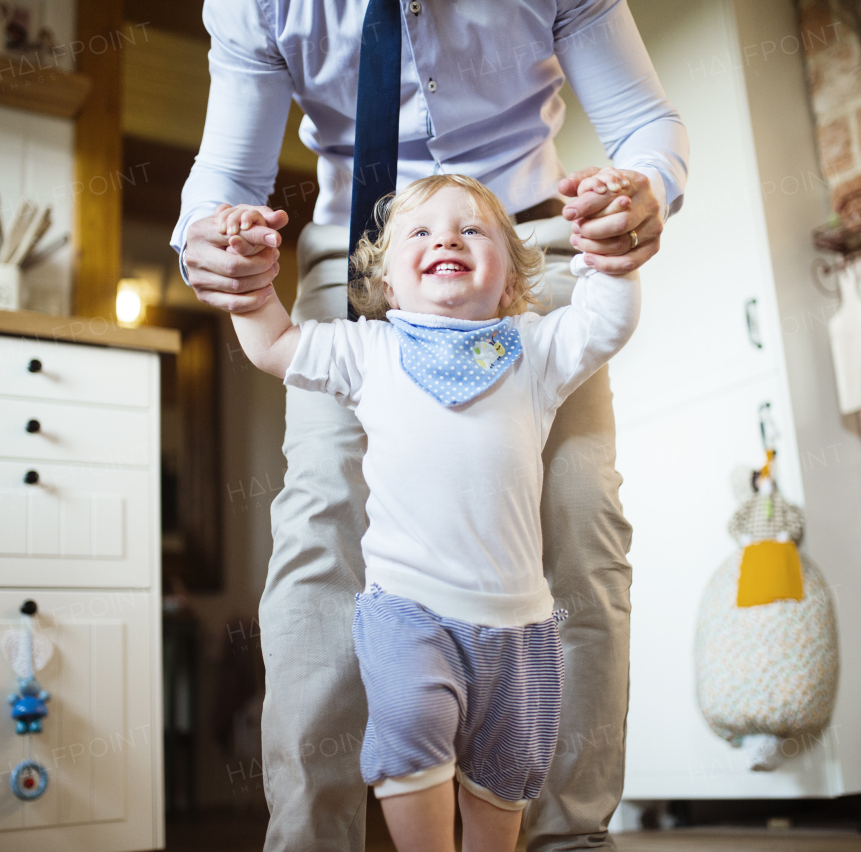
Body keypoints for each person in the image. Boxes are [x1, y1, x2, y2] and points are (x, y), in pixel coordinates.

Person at [172, 3, 688, 849]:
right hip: (360, 257)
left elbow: (643, 125)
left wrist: (641, 192)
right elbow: (227, 178)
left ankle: (566, 837)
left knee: (581, 517)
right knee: (318, 528)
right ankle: (311, 841)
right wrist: (213, 243)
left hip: (527, 249)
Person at [221, 173, 640, 852]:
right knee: (412, 747)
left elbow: (605, 322)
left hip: (520, 632)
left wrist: (611, 257)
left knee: (503, 784)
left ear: (511, 279)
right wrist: (249, 287)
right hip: (408, 617)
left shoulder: (533, 349)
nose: (447, 236)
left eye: (472, 229)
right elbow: (274, 346)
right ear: (387, 283)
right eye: (420, 231)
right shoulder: (368, 351)